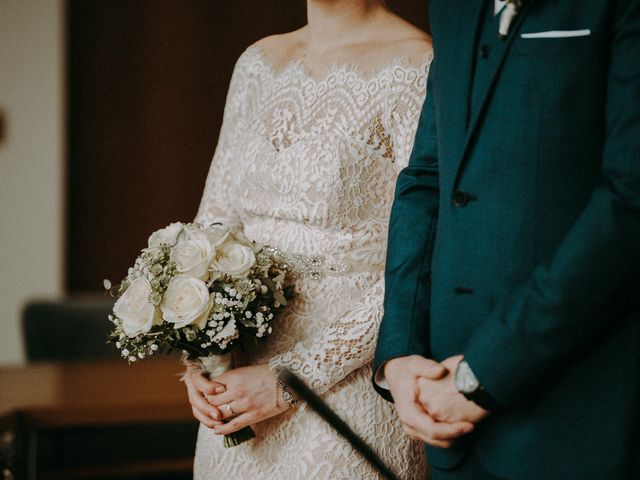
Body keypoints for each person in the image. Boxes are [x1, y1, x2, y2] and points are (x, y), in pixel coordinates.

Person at [374, 0, 640, 479]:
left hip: (577, 422)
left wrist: (484, 376)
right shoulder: (452, 8)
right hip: (446, 426)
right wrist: (399, 352)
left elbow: (630, 203)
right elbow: (428, 179)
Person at [183, 1, 433, 478]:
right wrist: (202, 358)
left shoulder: (415, 64)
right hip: (237, 389)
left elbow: (419, 260)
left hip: (347, 383)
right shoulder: (256, 63)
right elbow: (214, 223)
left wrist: (294, 376)